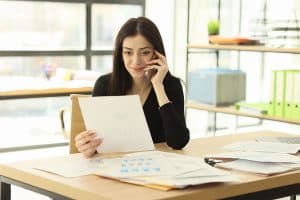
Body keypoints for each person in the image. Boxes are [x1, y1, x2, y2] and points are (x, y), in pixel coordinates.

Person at [75, 17, 190, 157]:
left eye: (145, 52)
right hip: (114, 166)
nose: (136, 61)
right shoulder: (104, 85)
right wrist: (87, 146)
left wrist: (158, 86)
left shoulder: (171, 86)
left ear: (156, 53)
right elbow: (95, 142)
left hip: (157, 169)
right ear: (120, 54)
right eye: (128, 52)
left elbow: (178, 142)